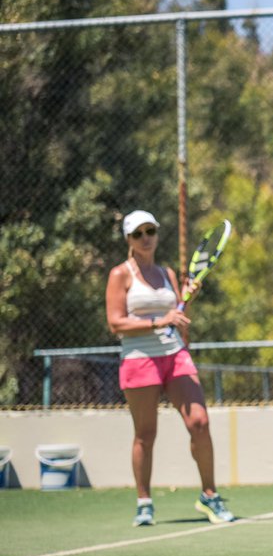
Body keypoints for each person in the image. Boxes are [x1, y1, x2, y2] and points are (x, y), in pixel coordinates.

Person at [105, 210, 235, 527]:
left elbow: (177, 312)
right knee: (145, 434)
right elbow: (115, 323)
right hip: (139, 359)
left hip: (175, 355)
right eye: (138, 234)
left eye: (150, 231)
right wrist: (159, 321)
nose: (145, 238)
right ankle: (144, 503)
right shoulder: (120, 274)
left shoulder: (167, 273)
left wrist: (188, 298)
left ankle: (209, 495)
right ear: (128, 239)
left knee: (200, 423)